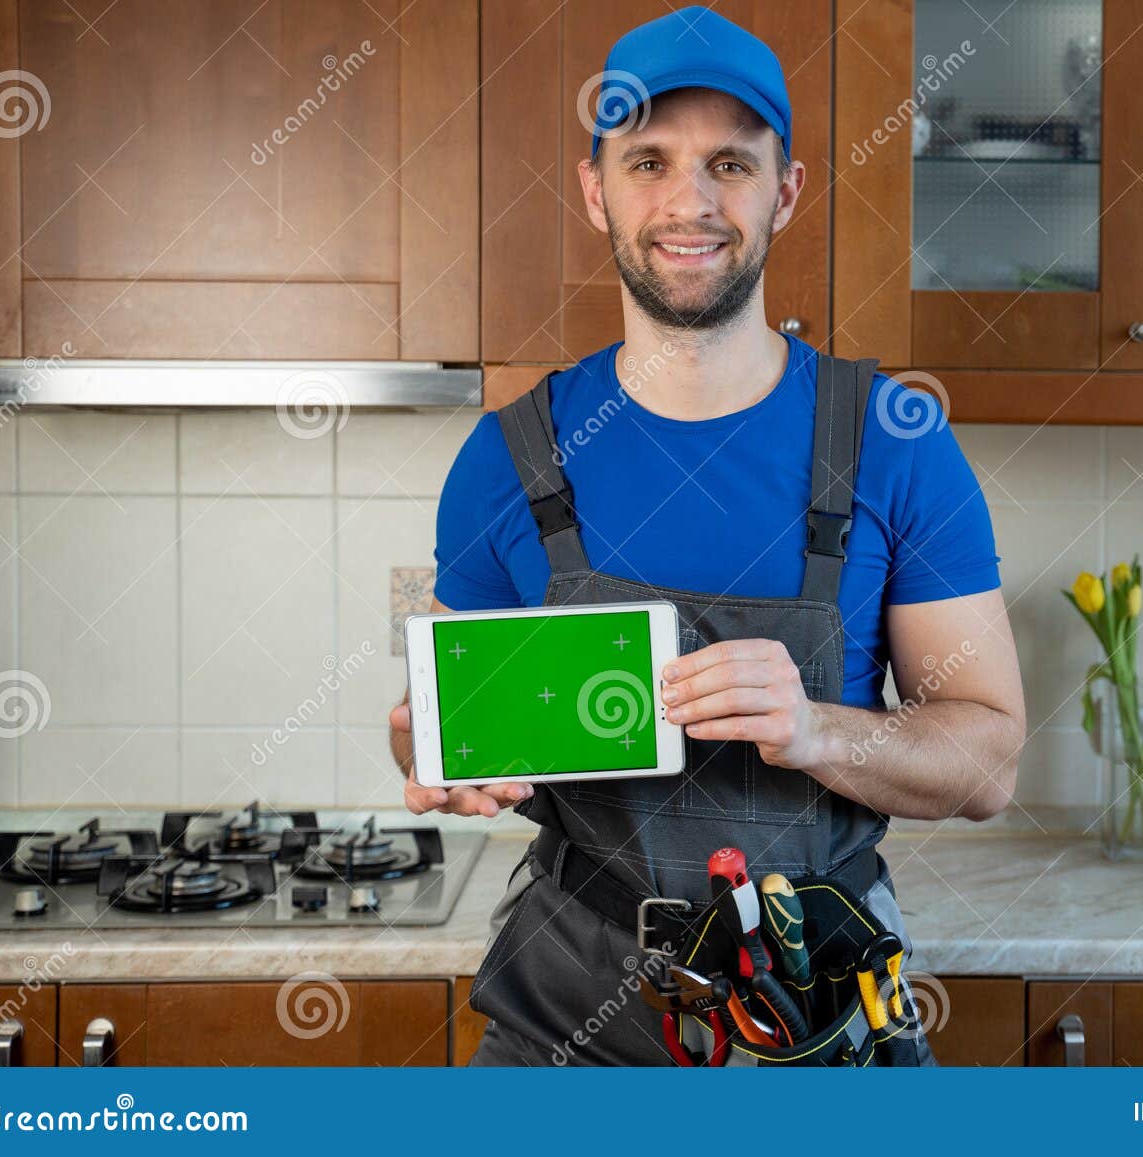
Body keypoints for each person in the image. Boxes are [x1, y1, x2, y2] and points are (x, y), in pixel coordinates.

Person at [388, 5, 1025, 1066]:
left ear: (787, 187)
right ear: (596, 189)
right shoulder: (505, 458)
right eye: (648, 161)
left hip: (815, 1022)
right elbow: (439, 720)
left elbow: (990, 759)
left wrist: (817, 729)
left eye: (730, 162)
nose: (689, 201)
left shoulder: (893, 443)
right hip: (566, 1030)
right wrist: (431, 746)